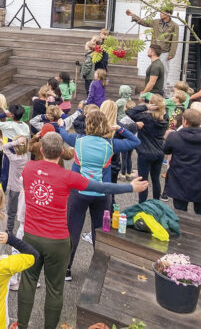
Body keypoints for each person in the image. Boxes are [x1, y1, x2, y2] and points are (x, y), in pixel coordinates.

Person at [16, 132, 148, 329]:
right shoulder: (68, 177)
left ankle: (22, 325)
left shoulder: (28, 168)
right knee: (54, 288)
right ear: (62, 153)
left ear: (41, 150)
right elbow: (102, 186)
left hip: (30, 236)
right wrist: (130, 187)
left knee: (27, 281)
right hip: (57, 241)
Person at [57, 110, 141, 279]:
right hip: (102, 193)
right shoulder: (111, 144)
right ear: (105, 126)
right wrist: (120, 129)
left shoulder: (78, 140)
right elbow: (135, 141)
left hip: (78, 192)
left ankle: (66, 268)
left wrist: (61, 126)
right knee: (101, 231)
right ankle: (99, 269)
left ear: (88, 125)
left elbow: (63, 134)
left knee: (72, 229)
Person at [163, 109, 201, 214]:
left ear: (184, 121)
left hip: (180, 178)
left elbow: (166, 150)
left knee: (179, 212)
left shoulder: (175, 136)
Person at [126, 95, 169, 202]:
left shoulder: (145, 118)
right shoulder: (165, 118)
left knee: (143, 181)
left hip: (145, 152)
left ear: (152, 105)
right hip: (159, 152)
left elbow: (129, 112)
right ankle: (156, 203)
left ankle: (142, 205)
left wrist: (145, 107)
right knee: (156, 180)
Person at [126, 8, 178, 92]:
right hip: (155, 51)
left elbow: (175, 40)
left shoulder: (174, 26)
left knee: (163, 72)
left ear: (168, 14)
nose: (160, 14)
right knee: (154, 70)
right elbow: (145, 22)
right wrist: (133, 15)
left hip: (165, 52)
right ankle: (152, 89)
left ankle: (162, 91)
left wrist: (172, 53)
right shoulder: (156, 22)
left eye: (162, 12)